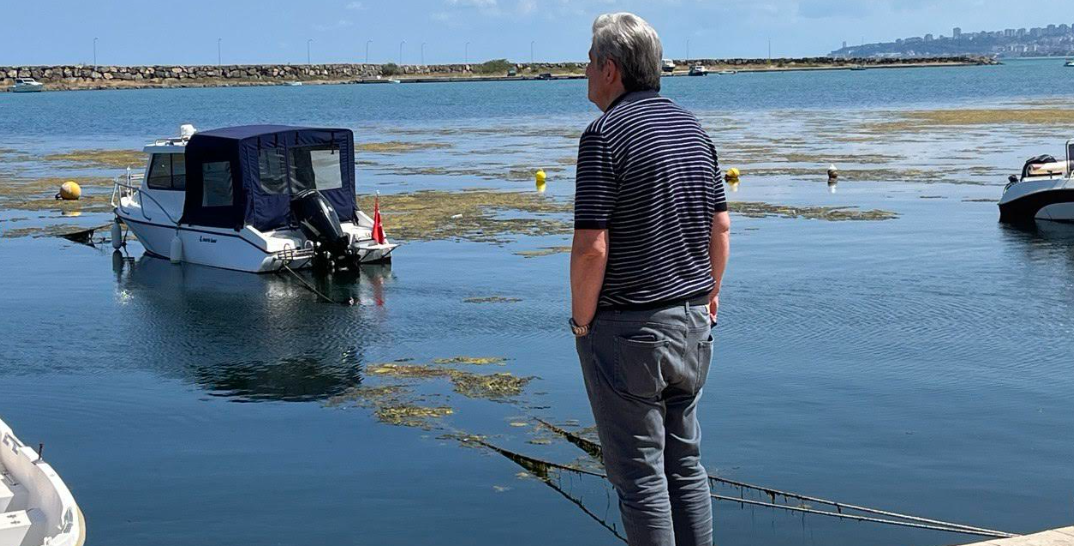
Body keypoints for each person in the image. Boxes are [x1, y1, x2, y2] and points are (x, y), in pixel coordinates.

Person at [569, 12, 730, 546]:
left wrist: (581, 322)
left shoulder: (603, 135)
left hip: (628, 331)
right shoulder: (694, 129)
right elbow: (720, 226)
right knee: (684, 465)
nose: (585, 72)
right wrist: (710, 296)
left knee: (639, 478)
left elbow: (593, 246)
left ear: (611, 69)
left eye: (590, 62)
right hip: (692, 324)